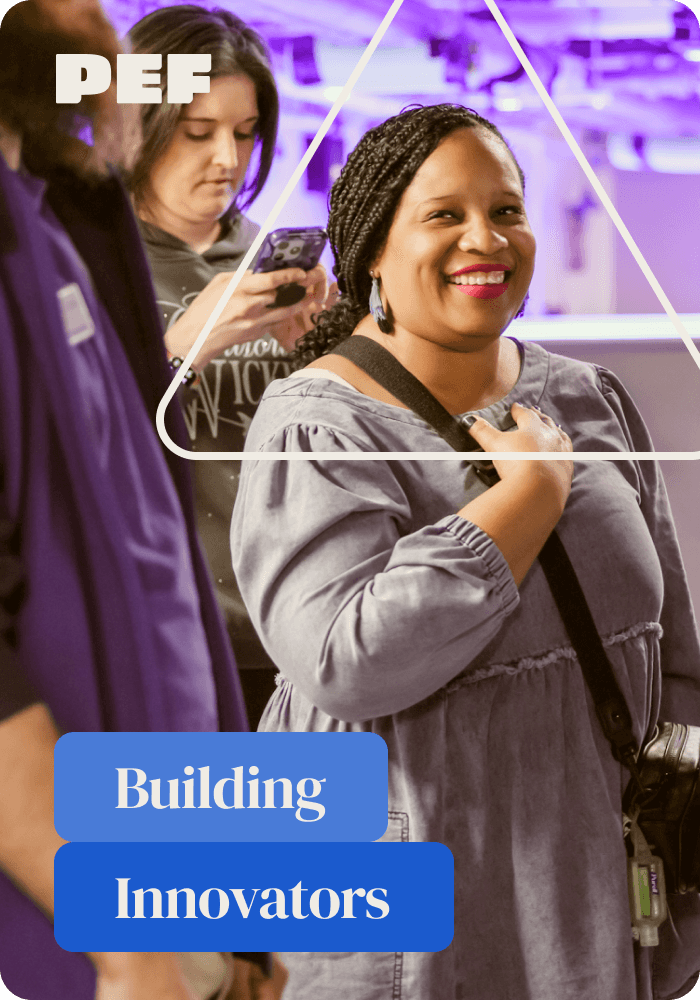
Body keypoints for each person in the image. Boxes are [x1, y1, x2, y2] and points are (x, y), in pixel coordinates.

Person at [231, 103, 700, 1000]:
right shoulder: (318, 424)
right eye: (443, 214)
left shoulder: (586, 394)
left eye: (508, 210)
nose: (484, 239)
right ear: (373, 246)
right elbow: (346, 660)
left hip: (600, 899)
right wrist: (526, 497)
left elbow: (670, 634)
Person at [0, 2, 284, 998]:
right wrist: (123, 939)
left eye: (244, 136)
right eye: (199, 131)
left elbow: (151, 564)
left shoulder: (62, 226)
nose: (98, 17)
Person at [128, 4, 329, 726]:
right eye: (198, 132)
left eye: (245, 134)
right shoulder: (81, 259)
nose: (230, 160)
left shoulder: (263, 259)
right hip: (156, 634)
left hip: (288, 633)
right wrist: (185, 345)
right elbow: (63, 442)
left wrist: (323, 358)